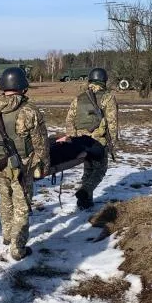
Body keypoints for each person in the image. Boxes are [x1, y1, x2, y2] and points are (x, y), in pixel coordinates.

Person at [0, 67, 49, 260]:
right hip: (21, 167)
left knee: (5, 199)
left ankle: (7, 235)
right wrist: (42, 166)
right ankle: (18, 248)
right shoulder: (29, 111)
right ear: (22, 86)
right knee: (21, 205)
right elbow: (41, 144)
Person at [62, 67, 118, 210]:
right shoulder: (108, 97)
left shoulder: (79, 98)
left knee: (88, 170)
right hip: (98, 141)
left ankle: (84, 202)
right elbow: (112, 123)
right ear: (104, 80)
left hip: (81, 141)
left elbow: (69, 120)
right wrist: (113, 143)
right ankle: (85, 192)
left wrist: (73, 140)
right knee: (100, 169)